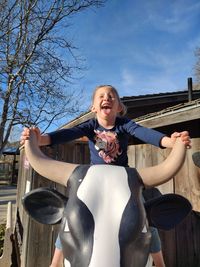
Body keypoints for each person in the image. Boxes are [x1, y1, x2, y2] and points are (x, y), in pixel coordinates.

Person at [20, 85, 191, 267]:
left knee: (144, 221)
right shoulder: (90, 126)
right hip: (92, 183)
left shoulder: (125, 124)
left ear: (118, 107)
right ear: (93, 107)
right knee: (73, 219)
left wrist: (171, 142)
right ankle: (55, 262)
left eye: (112, 96)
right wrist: (40, 139)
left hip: (124, 183)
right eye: (101, 96)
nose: (106, 98)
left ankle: (160, 262)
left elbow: (145, 134)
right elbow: (66, 134)